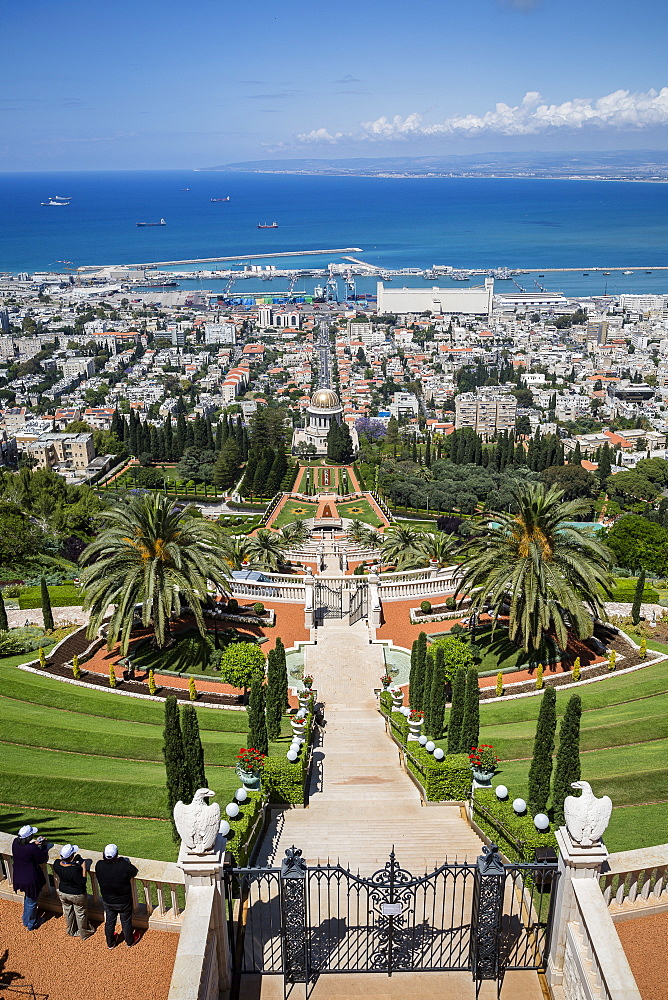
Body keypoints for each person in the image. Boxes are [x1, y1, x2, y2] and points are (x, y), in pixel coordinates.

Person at [94, 844, 140, 949]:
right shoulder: (123, 866)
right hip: (123, 900)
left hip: (108, 900)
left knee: (110, 921)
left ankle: (110, 943)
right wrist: (123, 862)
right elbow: (134, 871)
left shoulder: (99, 865)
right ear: (117, 855)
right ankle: (129, 941)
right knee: (126, 921)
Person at [12, 824, 49, 930]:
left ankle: (26, 918)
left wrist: (35, 844)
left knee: (28, 899)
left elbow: (24, 849)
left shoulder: (15, 842)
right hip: (30, 879)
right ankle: (31, 923)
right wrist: (44, 846)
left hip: (19, 876)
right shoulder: (31, 848)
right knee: (32, 901)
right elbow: (41, 858)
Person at [53, 844, 93, 940]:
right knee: (80, 913)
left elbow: (64, 865)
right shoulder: (74, 870)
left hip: (63, 892)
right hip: (76, 895)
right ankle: (84, 933)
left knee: (68, 912)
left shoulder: (56, 864)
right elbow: (82, 882)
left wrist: (74, 862)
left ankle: (71, 931)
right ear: (70, 856)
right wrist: (83, 867)